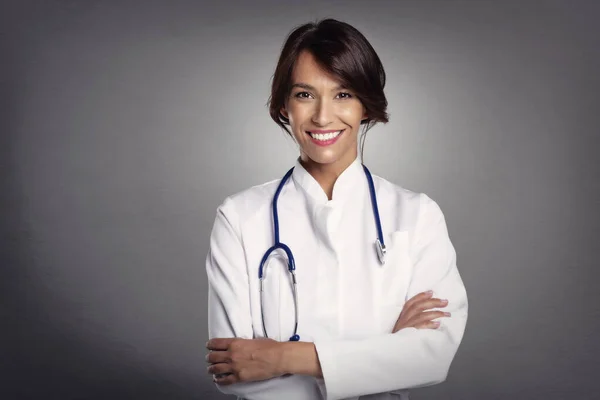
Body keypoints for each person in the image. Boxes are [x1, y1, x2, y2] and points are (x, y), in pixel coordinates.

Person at [205, 18, 468, 400]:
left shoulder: (417, 216)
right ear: (284, 105)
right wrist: (388, 351)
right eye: (305, 94)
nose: (323, 116)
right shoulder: (239, 218)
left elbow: (433, 356)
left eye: (343, 94)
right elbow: (235, 369)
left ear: (366, 106)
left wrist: (284, 357)